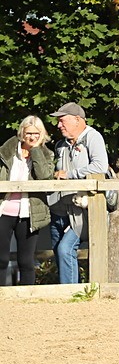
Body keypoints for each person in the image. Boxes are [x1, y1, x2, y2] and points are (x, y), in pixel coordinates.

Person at [48, 102, 109, 285]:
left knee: (66, 249)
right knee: (59, 250)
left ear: (77, 120)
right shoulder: (60, 145)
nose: (59, 125)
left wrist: (70, 175)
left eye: (62, 120)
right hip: (59, 207)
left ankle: (71, 293)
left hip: (82, 209)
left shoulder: (93, 137)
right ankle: (69, 289)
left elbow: (100, 166)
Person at [0, 116, 55, 285]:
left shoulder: (47, 154)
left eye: (36, 134)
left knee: (26, 261)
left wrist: (36, 150)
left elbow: (44, 176)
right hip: (4, 210)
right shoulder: (6, 152)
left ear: (42, 135)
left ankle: (27, 299)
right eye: (29, 133)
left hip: (29, 212)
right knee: (1, 259)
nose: (32, 137)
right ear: (22, 132)